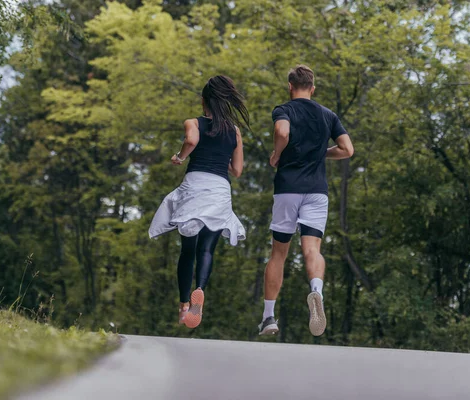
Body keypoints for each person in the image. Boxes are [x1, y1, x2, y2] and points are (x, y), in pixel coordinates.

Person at [258, 65, 354, 337]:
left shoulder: (284, 109)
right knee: (312, 249)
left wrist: (277, 154)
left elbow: (282, 132)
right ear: (313, 88)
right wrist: (319, 153)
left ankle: (268, 318)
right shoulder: (328, 115)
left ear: (290, 86)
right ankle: (316, 290)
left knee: (279, 253)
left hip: (288, 187)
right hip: (316, 191)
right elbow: (347, 149)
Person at [149, 75, 249, 329]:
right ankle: (200, 290)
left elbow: (192, 141)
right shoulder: (234, 131)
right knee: (207, 249)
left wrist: (180, 157)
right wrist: (220, 156)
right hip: (219, 189)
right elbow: (237, 170)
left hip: (195, 186)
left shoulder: (193, 122)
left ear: (203, 101)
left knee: (187, 250)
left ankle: (184, 304)